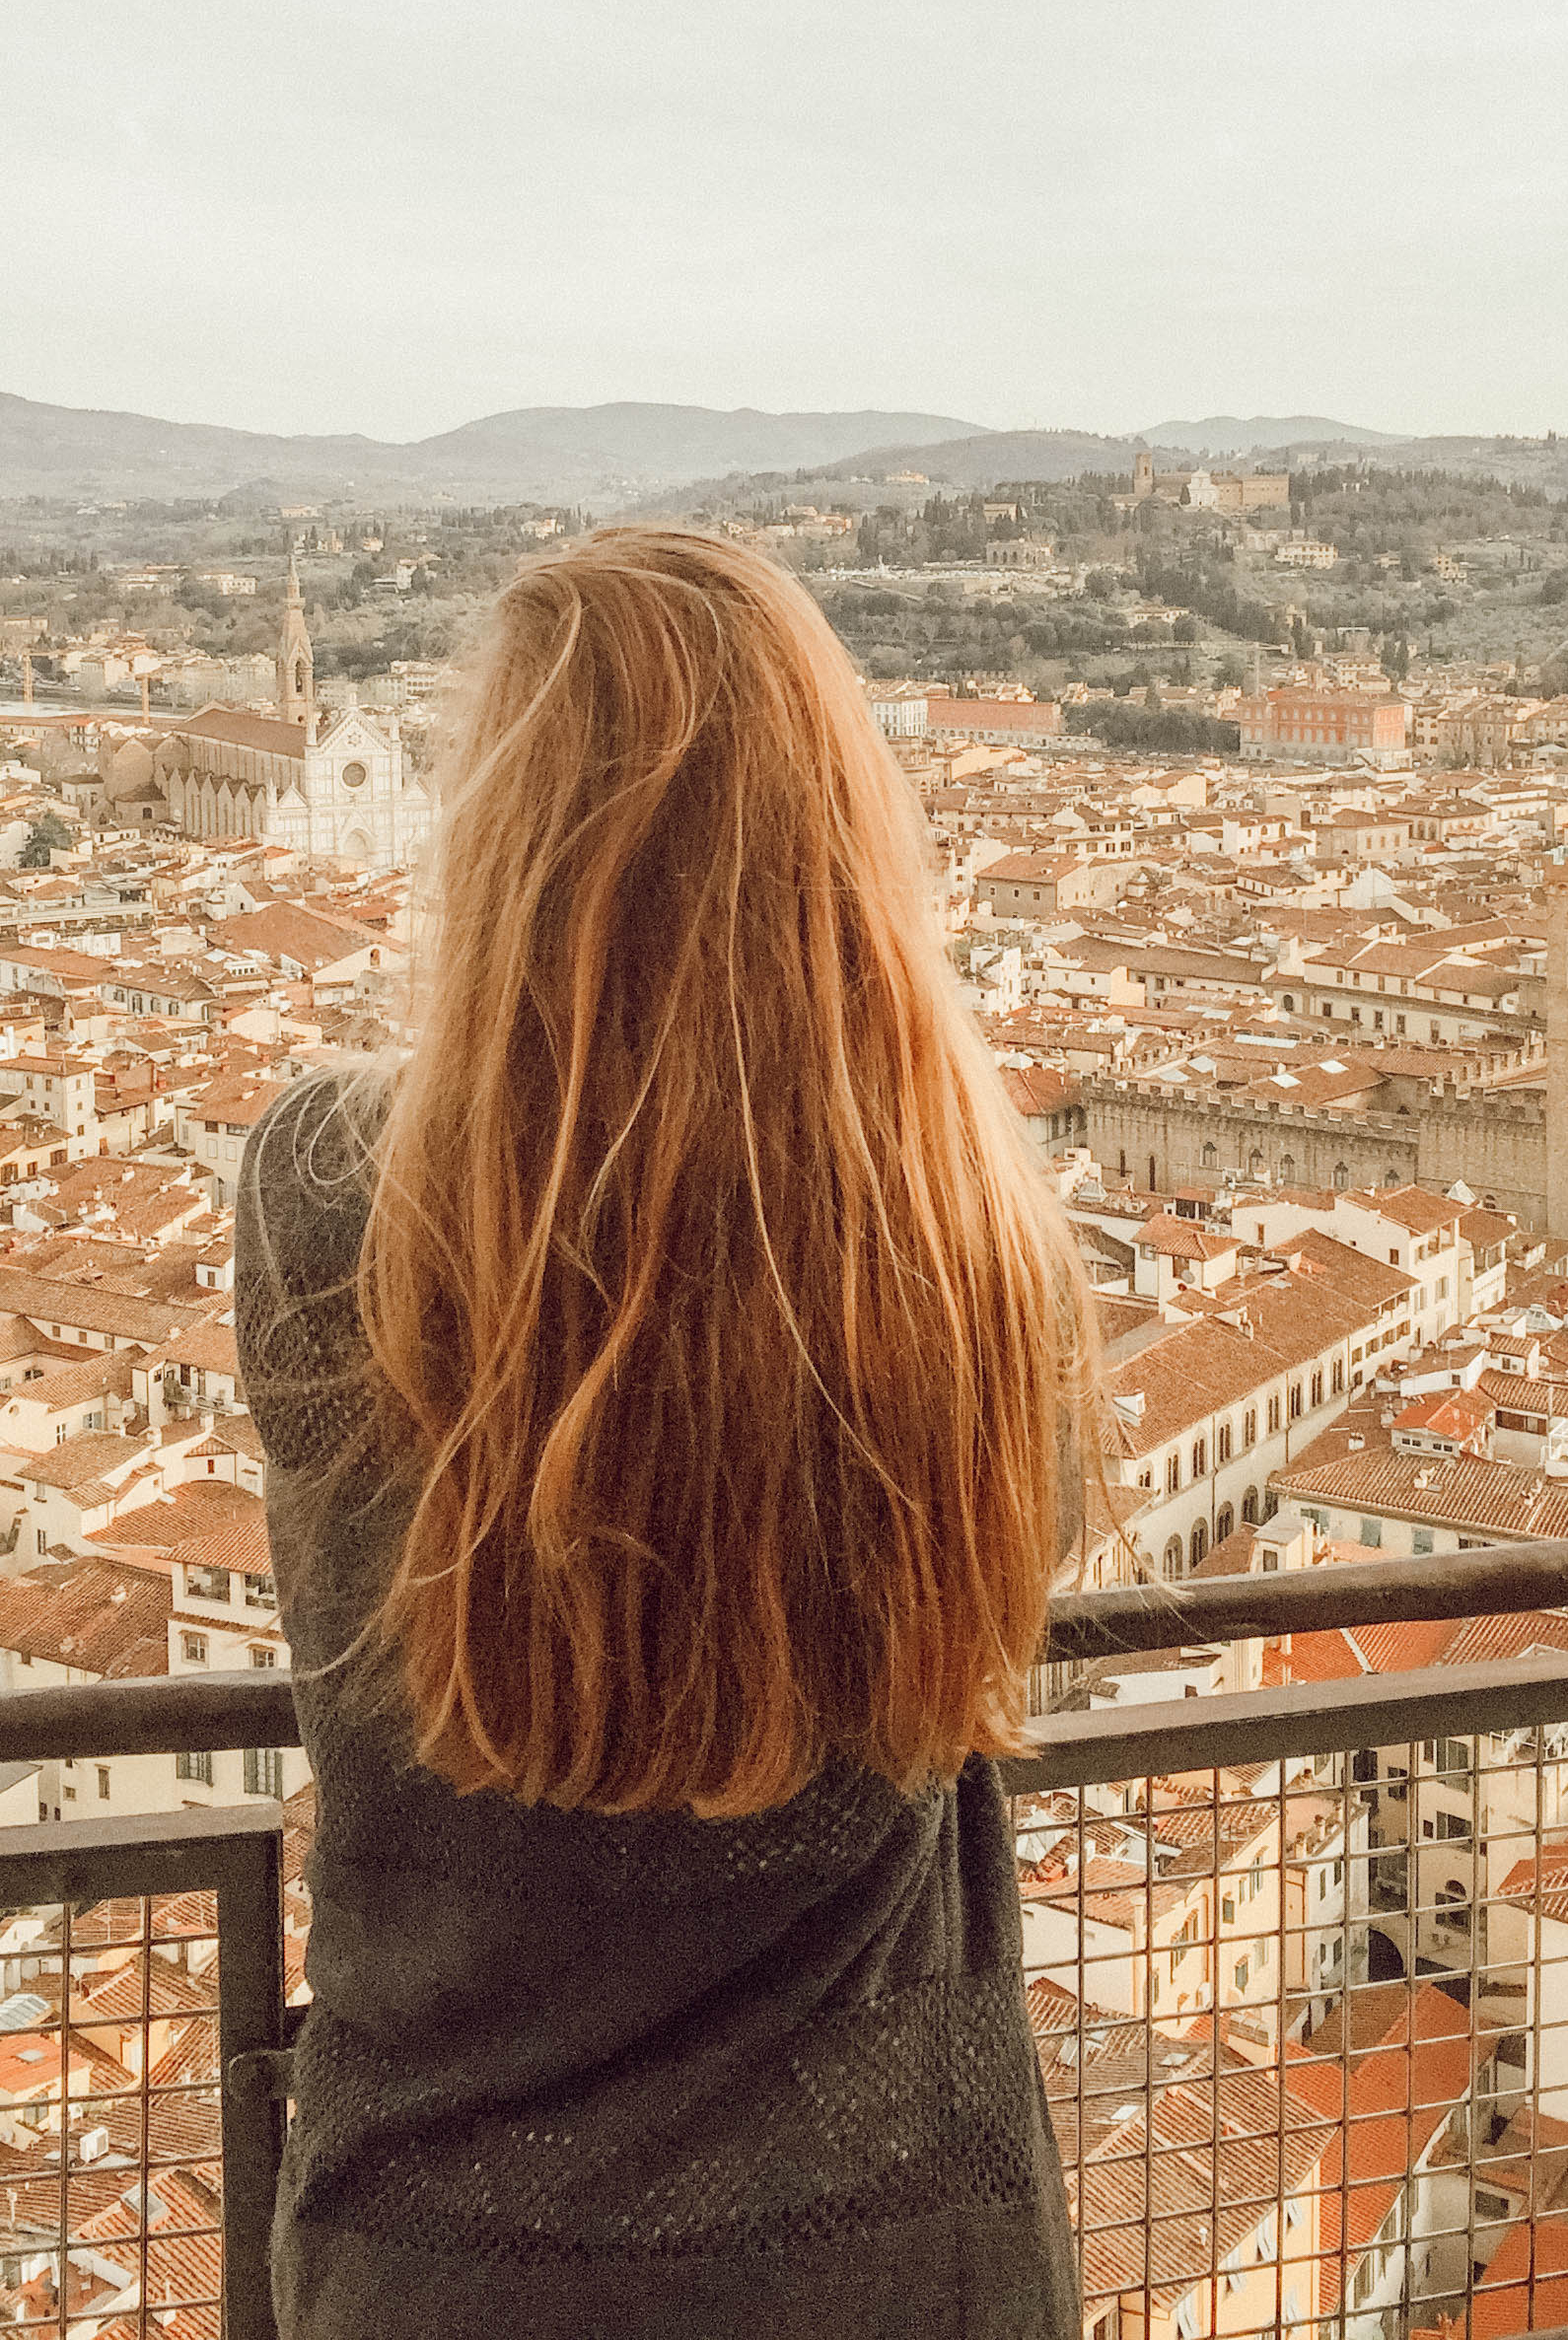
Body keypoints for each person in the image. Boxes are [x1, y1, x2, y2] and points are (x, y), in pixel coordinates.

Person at [236, 526, 1091, 2339]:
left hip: (451, 2256)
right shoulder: (973, 1255)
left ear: (505, 844)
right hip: (903, 2249)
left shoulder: (331, 1202)